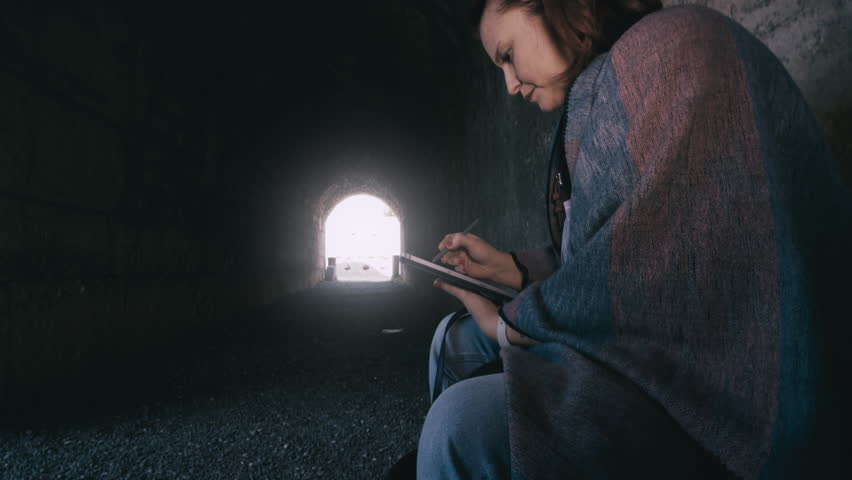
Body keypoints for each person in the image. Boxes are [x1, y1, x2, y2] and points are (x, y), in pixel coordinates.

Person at [415, 0, 852, 478]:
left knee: (456, 425)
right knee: (453, 338)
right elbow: (612, 249)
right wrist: (513, 269)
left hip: (710, 387)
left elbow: (650, 280)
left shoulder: (668, 55)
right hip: (642, 348)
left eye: (507, 55)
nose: (510, 85)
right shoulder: (599, 90)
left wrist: (506, 327)